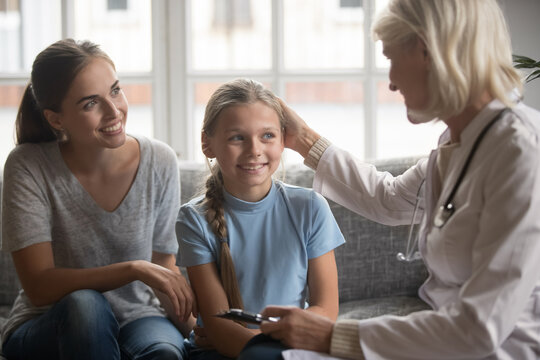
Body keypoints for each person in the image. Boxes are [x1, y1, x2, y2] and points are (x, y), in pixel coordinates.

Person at [241, 0, 540, 359]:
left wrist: (332, 337)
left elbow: (479, 328)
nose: (392, 82)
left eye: (391, 58)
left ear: (429, 52)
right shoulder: (457, 142)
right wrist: (302, 137)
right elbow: (389, 199)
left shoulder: (520, 152)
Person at [1, 39, 196, 360]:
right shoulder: (28, 165)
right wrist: (133, 268)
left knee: (166, 352)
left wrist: (200, 332)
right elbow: (38, 286)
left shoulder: (160, 160)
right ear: (56, 119)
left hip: (137, 316)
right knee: (86, 305)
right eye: (91, 103)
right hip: (48, 321)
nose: (113, 110)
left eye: (115, 90)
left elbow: (163, 267)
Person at [175, 78, 345, 359]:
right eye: (237, 137)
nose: (254, 149)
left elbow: (326, 311)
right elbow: (221, 330)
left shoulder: (311, 207)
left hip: (290, 350)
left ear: (282, 140)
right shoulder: (194, 220)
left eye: (267, 135)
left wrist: (273, 345)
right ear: (208, 144)